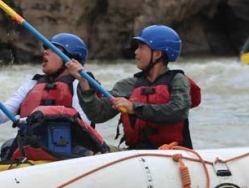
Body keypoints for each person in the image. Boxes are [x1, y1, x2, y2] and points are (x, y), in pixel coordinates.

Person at [0, 33, 107, 161]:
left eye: (53, 50)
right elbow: (0, 117)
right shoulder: (32, 84)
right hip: (34, 150)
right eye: (46, 49)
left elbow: (85, 124)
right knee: (7, 147)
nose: (45, 52)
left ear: (71, 59)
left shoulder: (81, 85)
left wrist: (40, 119)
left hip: (69, 152)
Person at [69, 25, 201, 150]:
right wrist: (84, 84)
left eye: (141, 47)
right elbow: (98, 114)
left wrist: (134, 108)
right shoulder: (129, 85)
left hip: (172, 152)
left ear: (157, 54)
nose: (136, 52)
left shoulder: (178, 80)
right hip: (135, 154)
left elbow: (178, 111)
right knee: (93, 151)